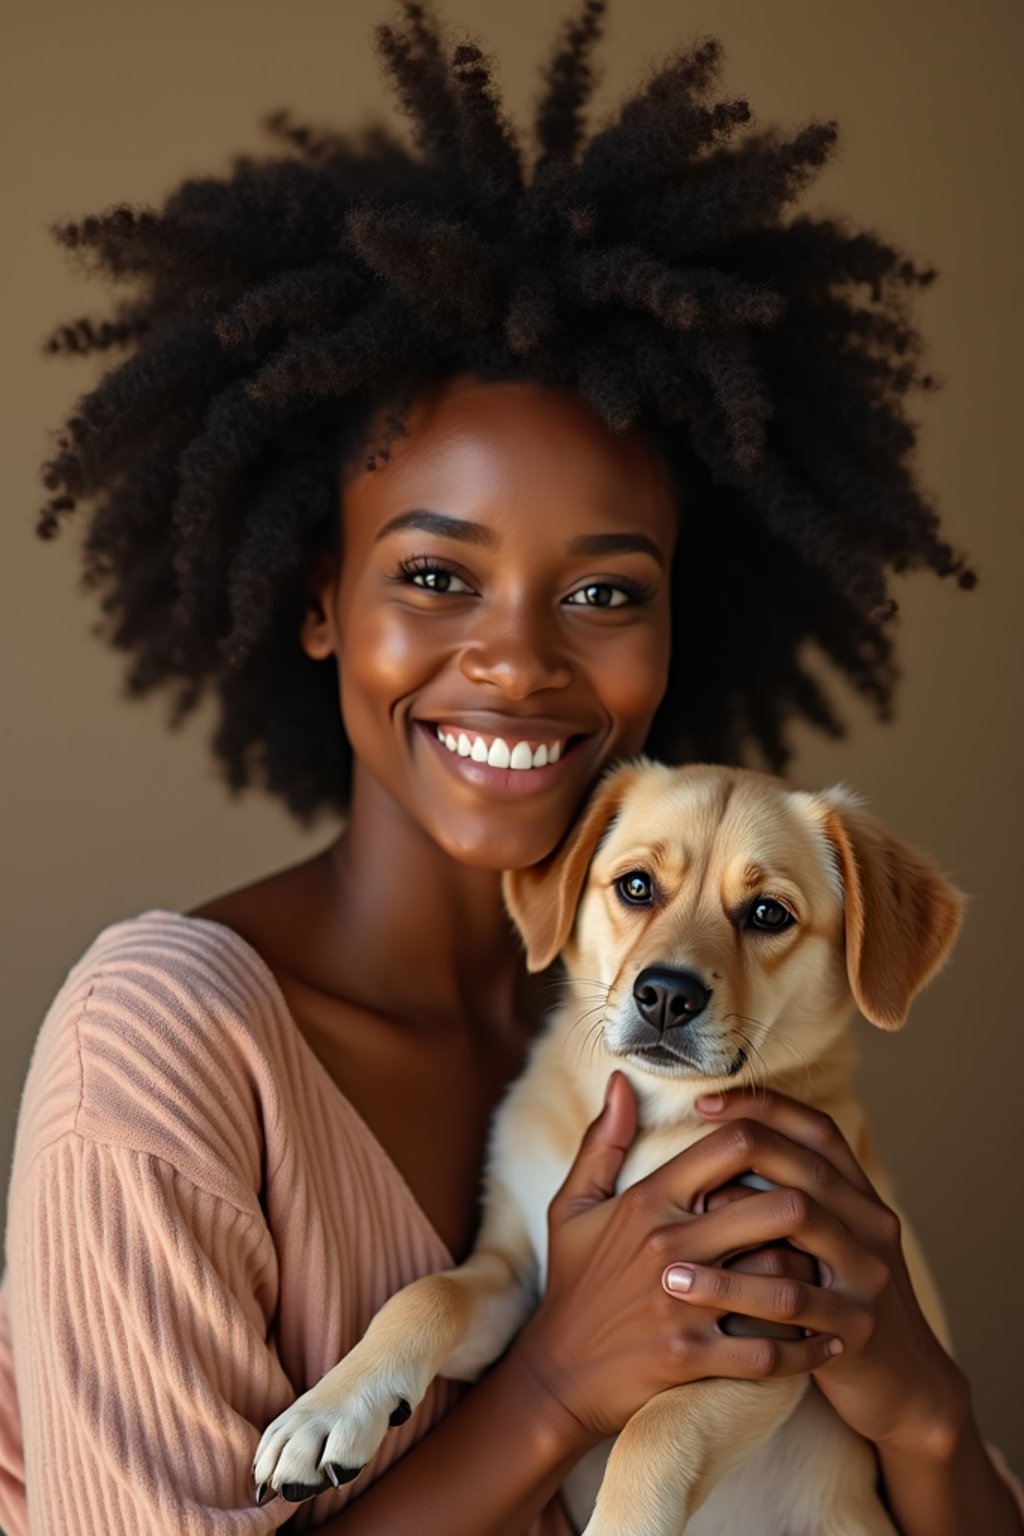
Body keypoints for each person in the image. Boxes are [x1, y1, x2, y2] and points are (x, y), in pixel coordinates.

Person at [0, 2, 1020, 1532]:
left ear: (682, 626)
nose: (523, 660)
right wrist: (555, 1385)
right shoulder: (158, 1049)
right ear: (314, 597)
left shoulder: (718, 1068)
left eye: (607, 591)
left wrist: (928, 1415)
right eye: (433, 574)